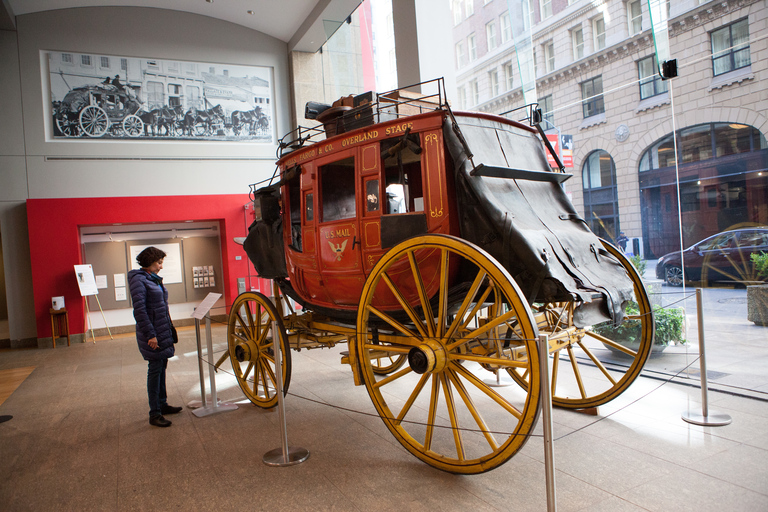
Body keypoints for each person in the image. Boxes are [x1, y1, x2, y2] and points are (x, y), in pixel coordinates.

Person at [128, 247, 182, 427]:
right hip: (153, 333)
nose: (161, 267)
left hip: (161, 330)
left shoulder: (152, 279)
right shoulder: (139, 280)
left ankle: (162, 404)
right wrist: (150, 334)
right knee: (155, 370)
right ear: (149, 263)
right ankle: (154, 413)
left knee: (161, 367)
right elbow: (140, 311)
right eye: (159, 263)